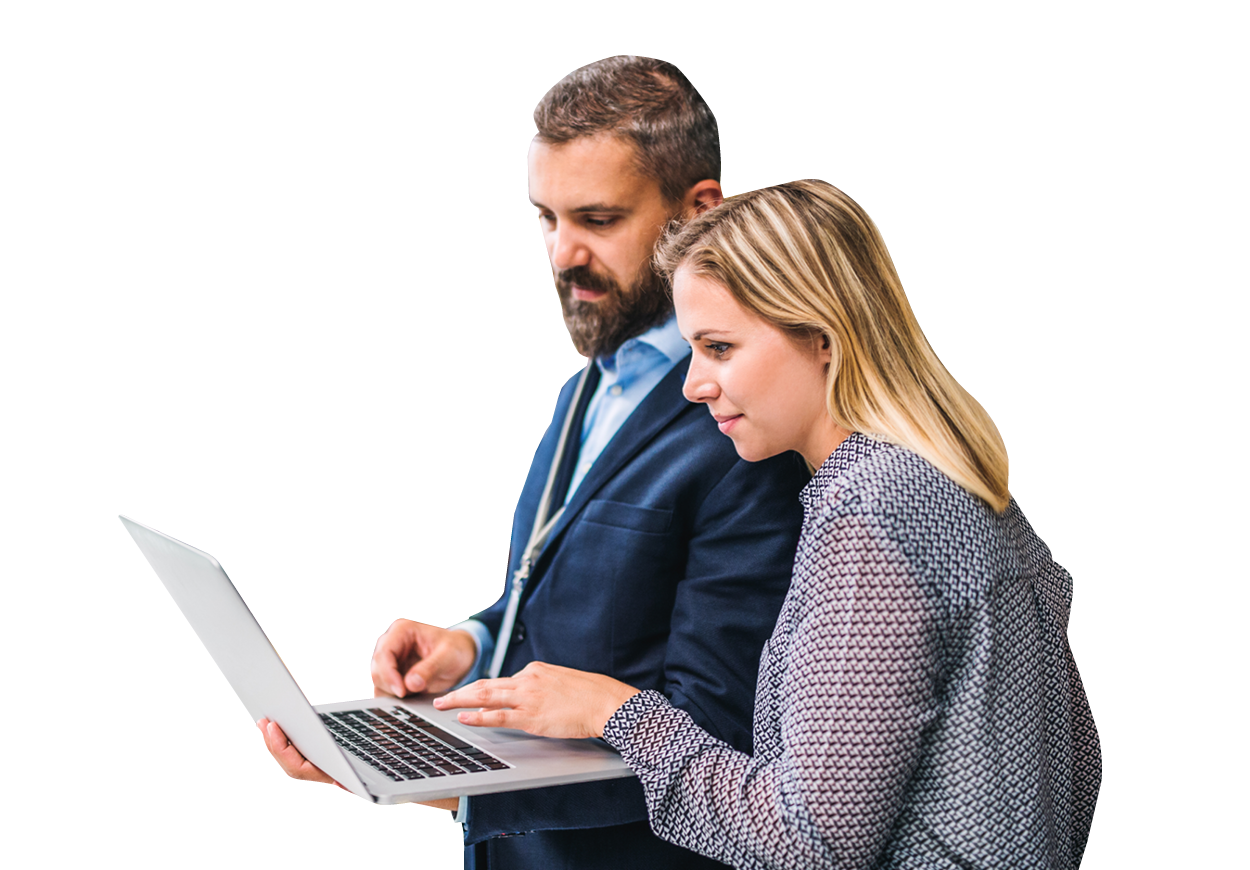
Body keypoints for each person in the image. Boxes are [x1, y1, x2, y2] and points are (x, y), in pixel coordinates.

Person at [436, 180, 1103, 869]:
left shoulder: (868, 511)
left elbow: (806, 840)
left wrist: (618, 713)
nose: (694, 384)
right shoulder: (964, 488)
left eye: (720, 348)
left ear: (821, 336)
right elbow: (1073, 768)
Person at [258, 57, 811, 869]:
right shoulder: (589, 388)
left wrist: (439, 781)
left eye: (596, 218)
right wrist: (475, 644)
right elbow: (595, 608)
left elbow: (714, 741)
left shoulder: (747, 426)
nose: (562, 254)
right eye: (545, 218)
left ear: (699, 211)